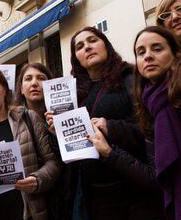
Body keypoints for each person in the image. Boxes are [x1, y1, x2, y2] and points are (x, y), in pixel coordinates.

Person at [46, 26, 159, 219]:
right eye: (80, 46)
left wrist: (110, 127)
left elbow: (150, 132)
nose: (87, 47)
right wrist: (61, 134)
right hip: (93, 194)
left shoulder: (131, 78)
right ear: (76, 58)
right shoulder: (75, 95)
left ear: (105, 45)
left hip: (132, 191)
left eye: (92, 40)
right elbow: (70, 156)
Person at [0, 65, 60, 220]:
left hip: (30, 213)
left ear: (4, 89)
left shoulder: (28, 118)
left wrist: (37, 179)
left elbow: (53, 163)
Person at [132, 26, 181, 219]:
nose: (148, 56)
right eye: (141, 52)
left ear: (175, 54)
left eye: (157, 49)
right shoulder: (148, 104)